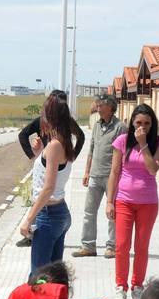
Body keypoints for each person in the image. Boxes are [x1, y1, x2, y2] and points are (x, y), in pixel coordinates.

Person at [106, 104, 159, 299]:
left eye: (147, 123)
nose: (142, 127)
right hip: (123, 200)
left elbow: (152, 170)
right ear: (132, 122)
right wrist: (109, 201)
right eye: (139, 122)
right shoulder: (122, 141)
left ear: (153, 125)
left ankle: (137, 286)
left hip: (148, 202)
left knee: (141, 247)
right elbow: (114, 173)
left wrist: (143, 144)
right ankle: (120, 287)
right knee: (121, 246)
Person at [18, 94, 79, 272]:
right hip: (59, 213)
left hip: (48, 215)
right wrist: (39, 155)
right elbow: (51, 174)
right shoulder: (63, 143)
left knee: (38, 277)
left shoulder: (54, 146)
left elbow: (48, 187)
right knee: (53, 276)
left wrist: (28, 219)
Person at [73, 94, 122, 259]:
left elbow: (123, 154)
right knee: (89, 212)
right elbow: (91, 150)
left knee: (112, 213)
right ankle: (88, 246)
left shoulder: (120, 127)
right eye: (98, 105)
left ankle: (112, 246)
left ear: (110, 108)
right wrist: (87, 172)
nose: (98, 108)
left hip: (111, 177)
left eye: (101, 106)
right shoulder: (96, 126)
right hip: (94, 175)